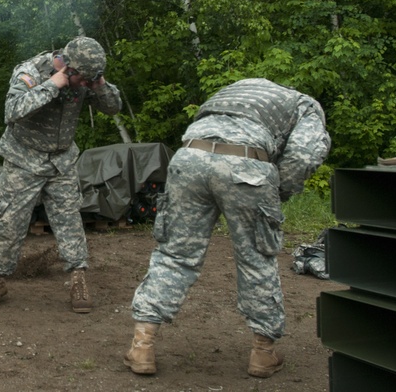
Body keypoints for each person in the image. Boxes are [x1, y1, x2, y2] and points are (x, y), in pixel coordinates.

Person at [124, 78, 331, 379]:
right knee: (256, 259)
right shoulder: (305, 105)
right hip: (246, 166)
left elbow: (200, 122)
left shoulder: (237, 89)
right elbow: (304, 153)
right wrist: (279, 191)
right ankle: (263, 354)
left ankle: (142, 346)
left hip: (188, 158)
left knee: (175, 255)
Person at [0, 36, 122, 313]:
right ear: (67, 67)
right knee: (10, 221)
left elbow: (113, 107)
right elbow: (11, 111)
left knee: (69, 219)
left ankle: (78, 279)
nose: (84, 85)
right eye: (82, 79)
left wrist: (100, 85)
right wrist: (51, 86)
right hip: (24, 160)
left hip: (61, 162)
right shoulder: (31, 71)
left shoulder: (85, 77)